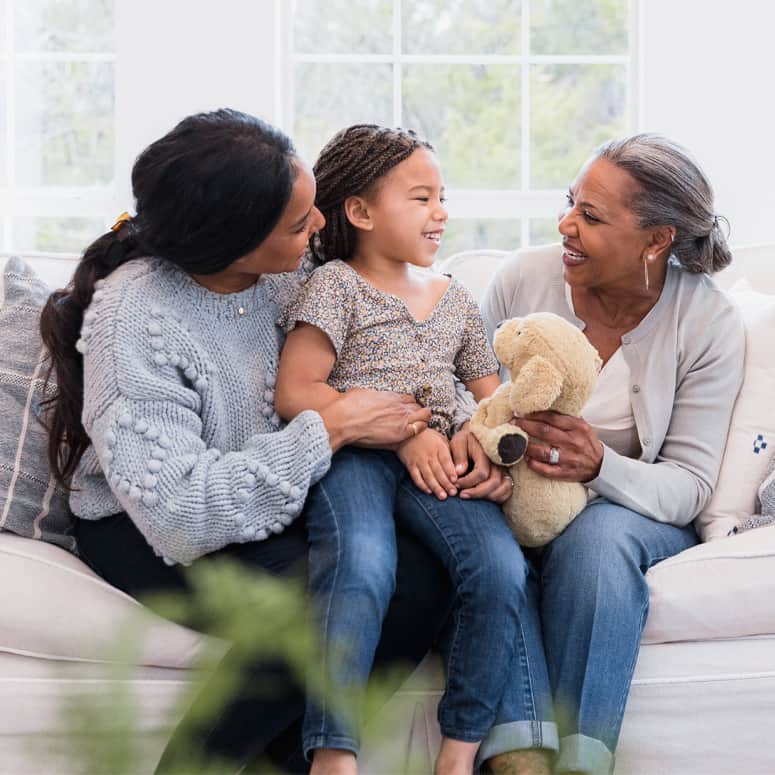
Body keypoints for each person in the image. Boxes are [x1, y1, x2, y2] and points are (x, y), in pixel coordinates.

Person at [35, 108, 499, 773]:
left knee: (418, 580)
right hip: (153, 527)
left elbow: (396, 351)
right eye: (298, 222)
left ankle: (286, 760)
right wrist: (331, 426)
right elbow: (179, 514)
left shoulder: (294, 269)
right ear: (233, 240)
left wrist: (464, 432)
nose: (318, 229)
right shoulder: (134, 315)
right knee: (329, 591)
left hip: (275, 501)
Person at [478, 133, 745, 774]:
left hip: (627, 510)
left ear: (656, 241)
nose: (566, 225)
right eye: (570, 203)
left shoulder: (706, 324)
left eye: (591, 217)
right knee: (479, 541)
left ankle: (581, 760)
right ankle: (520, 753)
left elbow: (688, 483)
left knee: (597, 544)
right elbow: (470, 404)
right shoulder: (522, 279)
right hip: (510, 487)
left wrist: (600, 466)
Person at [275, 124, 524, 775]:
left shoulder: (457, 302)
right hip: (355, 455)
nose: (440, 211)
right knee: (361, 563)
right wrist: (395, 426)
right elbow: (296, 391)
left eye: (442, 196)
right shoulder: (334, 286)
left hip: (440, 464)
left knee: (499, 570)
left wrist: (479, 435)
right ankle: (333, 753)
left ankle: (458, 754)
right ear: (359, 212)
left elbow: (495, 400)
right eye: (420, 197)